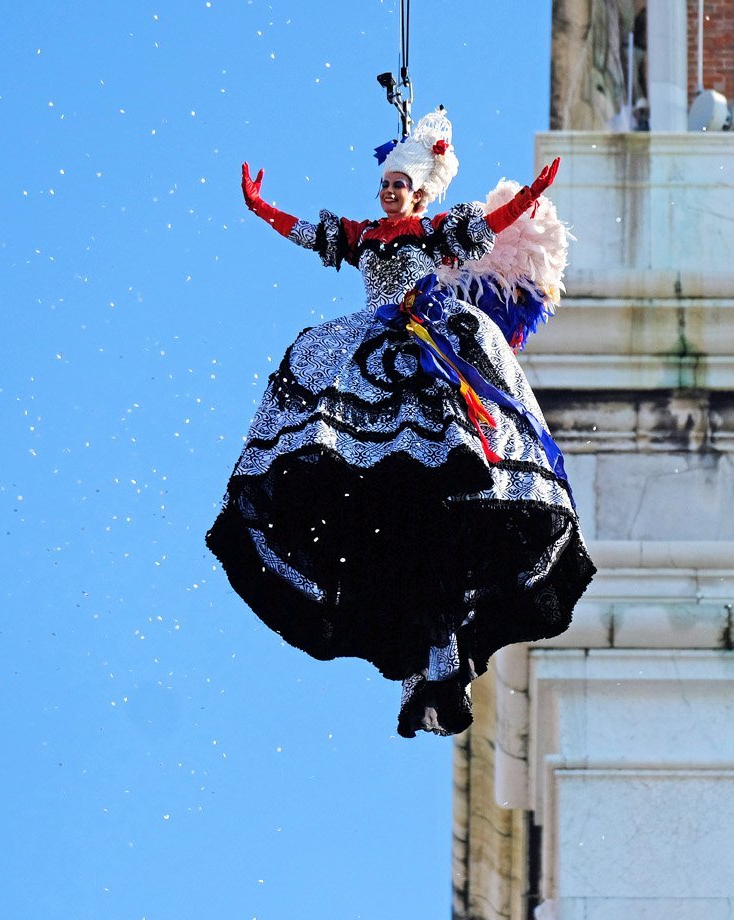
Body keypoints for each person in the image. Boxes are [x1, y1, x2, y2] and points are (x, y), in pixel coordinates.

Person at [207, 108, 596, 738]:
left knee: (449, 420)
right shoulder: (363, 236)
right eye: (384, 186)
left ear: (417, 191)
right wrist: (261, 208)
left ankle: (440, 645)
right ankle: (425, 649)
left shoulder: (436, 233)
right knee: (346, 413)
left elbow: (492, 225)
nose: (389, 195)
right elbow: (306, 231)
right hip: (377, 345)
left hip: (426, 337)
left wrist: (530, 196)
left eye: (398, 187)